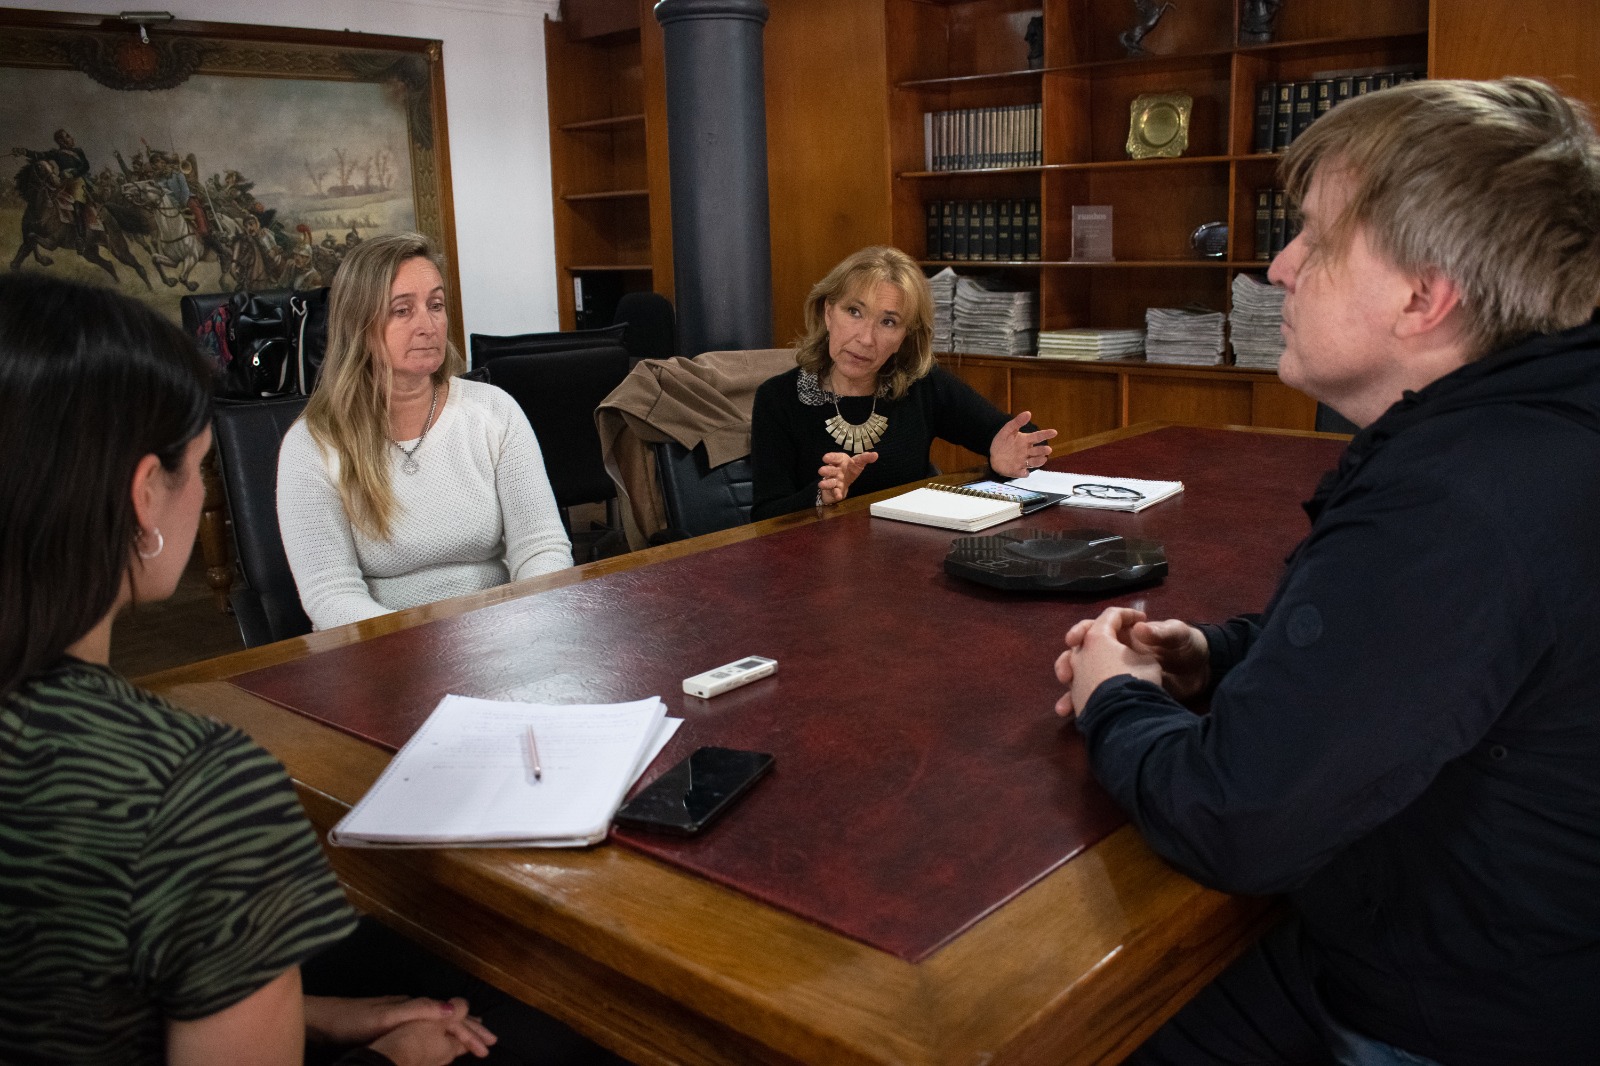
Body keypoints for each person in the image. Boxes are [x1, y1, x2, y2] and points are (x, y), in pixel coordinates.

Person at [1054, 78, 1600, 1065]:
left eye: (1314, 238)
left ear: (1423, 296)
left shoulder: (1456, 504)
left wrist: (1113, 700)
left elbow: (1237, 818)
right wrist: (1215, 659)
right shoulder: (1535, 433)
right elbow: (1424, 660)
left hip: (1447, 1012)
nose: (1278, 265)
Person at [0, 271, 497, 1064]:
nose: (200, 493)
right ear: (142, 499)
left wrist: (318, 1015)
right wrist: (397, 1057)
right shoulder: (194, 793)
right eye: (197, 468)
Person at [278, 232, 572, 630]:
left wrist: (524, 622)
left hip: (501, 633)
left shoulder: (493, 411)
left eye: (435, 305)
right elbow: (330, 595)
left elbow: (542, 548)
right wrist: (423, 648)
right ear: (358, 324)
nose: (428, 324)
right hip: (379, 651)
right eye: (402, 311)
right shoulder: (312, 444)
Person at [750, 245, 1056, 519]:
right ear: (828, 313)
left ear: (904, 337)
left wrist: (1005, 457)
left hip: (908, 556)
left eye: (888, 322)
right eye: (854, 312)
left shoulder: (921, 386)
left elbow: (1018, 436)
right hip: (816, 568)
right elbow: (764, 516)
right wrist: (821, 496)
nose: (866, 339)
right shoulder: (778, 398)